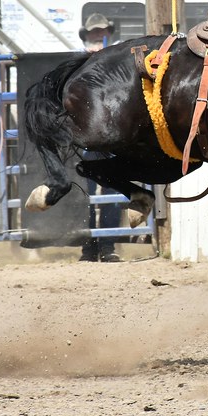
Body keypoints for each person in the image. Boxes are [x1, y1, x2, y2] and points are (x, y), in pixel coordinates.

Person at [78, 13, 123, 262]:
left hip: (111, 136)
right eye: (95, 32)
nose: (99, 36)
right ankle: (88, 245)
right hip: (88, 138)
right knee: (85, 194)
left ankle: (106, 245)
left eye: (102, 31)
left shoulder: (116, 59)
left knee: (111, 192)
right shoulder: (79, 60)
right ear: (87, 36)